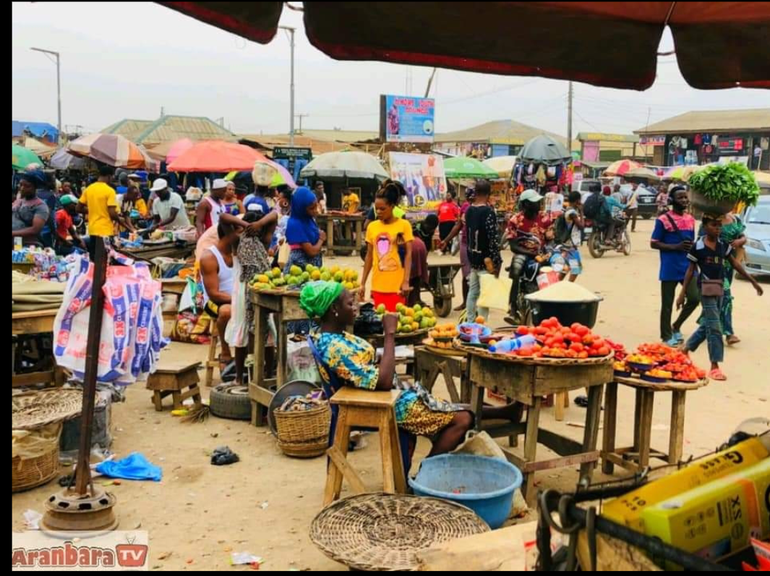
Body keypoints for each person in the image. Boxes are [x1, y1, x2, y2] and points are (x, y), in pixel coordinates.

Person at [303, 282, 523, 457]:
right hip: (381, 402)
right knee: (462, 420)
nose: (356, 307)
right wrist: (390, 334)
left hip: (384, 394)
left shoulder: (334, 336)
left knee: (449, 407)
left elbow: (366, 368)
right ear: (334, 309)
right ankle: (423, 476)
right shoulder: (334, 347)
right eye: (350, 303)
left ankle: (506, 412)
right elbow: (383, 382)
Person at [677, 215, 763, 381]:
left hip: (721, 288)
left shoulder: (723, 245)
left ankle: (685, 349)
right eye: (713, 225)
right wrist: (682, 293)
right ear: (705, 227)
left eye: (719, 225)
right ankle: (714, 366)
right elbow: (690, 270)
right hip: (706, 289)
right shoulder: (698, 247)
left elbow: (735, 264)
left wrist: (753, 281)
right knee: (715, 327)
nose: (718, 229)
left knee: (709, 323)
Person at [230, 209, 279, 385]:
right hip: (243, 290)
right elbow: (224, 218)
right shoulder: (238, 240)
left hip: (261, 288)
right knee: (245, 331)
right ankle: (241, 376)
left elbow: (274, 215)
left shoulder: (263, 242)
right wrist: (247, 225)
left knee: (265, 331)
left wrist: (258, 224)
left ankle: (265, 375)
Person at [651, 186, 700, 345]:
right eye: (680, 198)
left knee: (694, 298)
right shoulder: (663, 220)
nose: (684, 200)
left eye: (685, 197)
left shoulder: (690, 219)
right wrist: (675, 247)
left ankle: (676, 325)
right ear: (672, 200)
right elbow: (654, 243)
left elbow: (691, 242)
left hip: (688, 265)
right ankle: (666, 335)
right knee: (667, 304)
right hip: (670, 266)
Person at [360, 181, 414, 311]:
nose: (378, 212)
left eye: (382, 209)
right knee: (379, 320)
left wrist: (406, 281)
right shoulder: (372, 227)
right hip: (377, 286)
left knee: (396, 320)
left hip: (397, 287)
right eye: (376, 209)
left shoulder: (404, 225)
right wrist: (362, 283)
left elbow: (408, 254)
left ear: (392, 206)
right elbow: (369, 256)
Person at [506, 189, 552, 319]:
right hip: (522, 253)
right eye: (534, 202)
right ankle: (513, 308)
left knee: (553, 271)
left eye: (538, 201)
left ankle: (551, 307)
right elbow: (513, 246)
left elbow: (550, 239)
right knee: (516, 270)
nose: (538, 204)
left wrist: (549, 252)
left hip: (541, 253)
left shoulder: (544, 218)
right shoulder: (515, 220)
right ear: (526, 204)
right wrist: (531, 254)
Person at [200, 220, 238, 374]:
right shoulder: (209, 257)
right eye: (240, 232)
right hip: (214, 302)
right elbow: (214, 294)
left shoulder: (239, 252)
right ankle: (225, 351)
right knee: (226, 311)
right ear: (229, 234)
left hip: (237, 298)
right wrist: (238, 299)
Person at [466, 180, 503, 322]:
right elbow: (493, 239)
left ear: (476, 192)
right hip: (486, 261)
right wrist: (497, 261)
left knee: (472, 293)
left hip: (473, 259)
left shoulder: (469, 211)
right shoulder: (488, 212)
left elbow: (468, 235)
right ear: (488, 194)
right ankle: (481, 325)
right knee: (484, 295)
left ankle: (470, 322)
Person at [714, 211, 747, 346]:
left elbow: (742, 236)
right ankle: (729, 333)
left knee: (718, 298)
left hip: (730, 264)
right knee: (726, 296)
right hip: (716, 264)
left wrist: (740, 240)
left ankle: (708, 324)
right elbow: (702, 240)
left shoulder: (735, 219)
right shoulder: (711, 217)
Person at [439, 187, 475, 311]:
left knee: (480, 274)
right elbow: (458, 225)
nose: (469, 200)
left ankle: (478, 302)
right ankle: (465, 302)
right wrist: (446, 240)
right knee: (466, 274)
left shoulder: (485, 208)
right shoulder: (465, 207)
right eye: (468, 198)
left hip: (480, 245)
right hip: (465, 243)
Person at [78, 164, 128, 241]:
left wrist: (94, 210)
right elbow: (112, 213)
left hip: (92, 230)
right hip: (105, 230)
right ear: (109, 176)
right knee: (104, 249)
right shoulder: (110, 191)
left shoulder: (88, 189)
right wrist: (119, 219)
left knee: (94, 249)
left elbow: (78, 208)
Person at [552, 191, 585, 282]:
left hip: (567, 244)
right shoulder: (572, 213)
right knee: (576, 268)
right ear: (577, 201)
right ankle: (568, 286)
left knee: (567, 267)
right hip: (570, 245)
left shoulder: (567, 210)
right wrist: (581, 211)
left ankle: (557, 284)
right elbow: (581, 226)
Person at [12, 172, 50, 247]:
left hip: (28, 245)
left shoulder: (40, 206)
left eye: (27, 186)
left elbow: (35, 230)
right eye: (21, 184)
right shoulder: (19, 201)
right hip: (15, 243)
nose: (22, 188)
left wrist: (13, 233)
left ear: (35, 188)